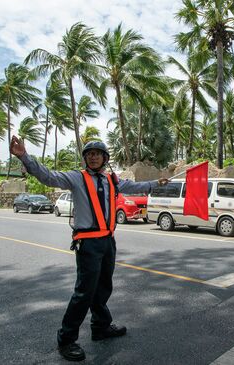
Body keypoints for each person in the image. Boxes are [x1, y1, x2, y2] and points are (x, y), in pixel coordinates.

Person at [10, 136, 168, 362]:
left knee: (103, 287)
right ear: (85, 159)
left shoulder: (111, 179)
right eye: (89, 154)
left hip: (107, 241)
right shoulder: (76, 178)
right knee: (84, 292)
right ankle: (66, 339)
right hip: (88, 243)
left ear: (105, 158)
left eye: (97, 154)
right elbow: (47, 176)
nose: (93, 157)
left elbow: (134, 186)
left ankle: (100, 327)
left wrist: (155, 183)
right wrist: (24, 156)